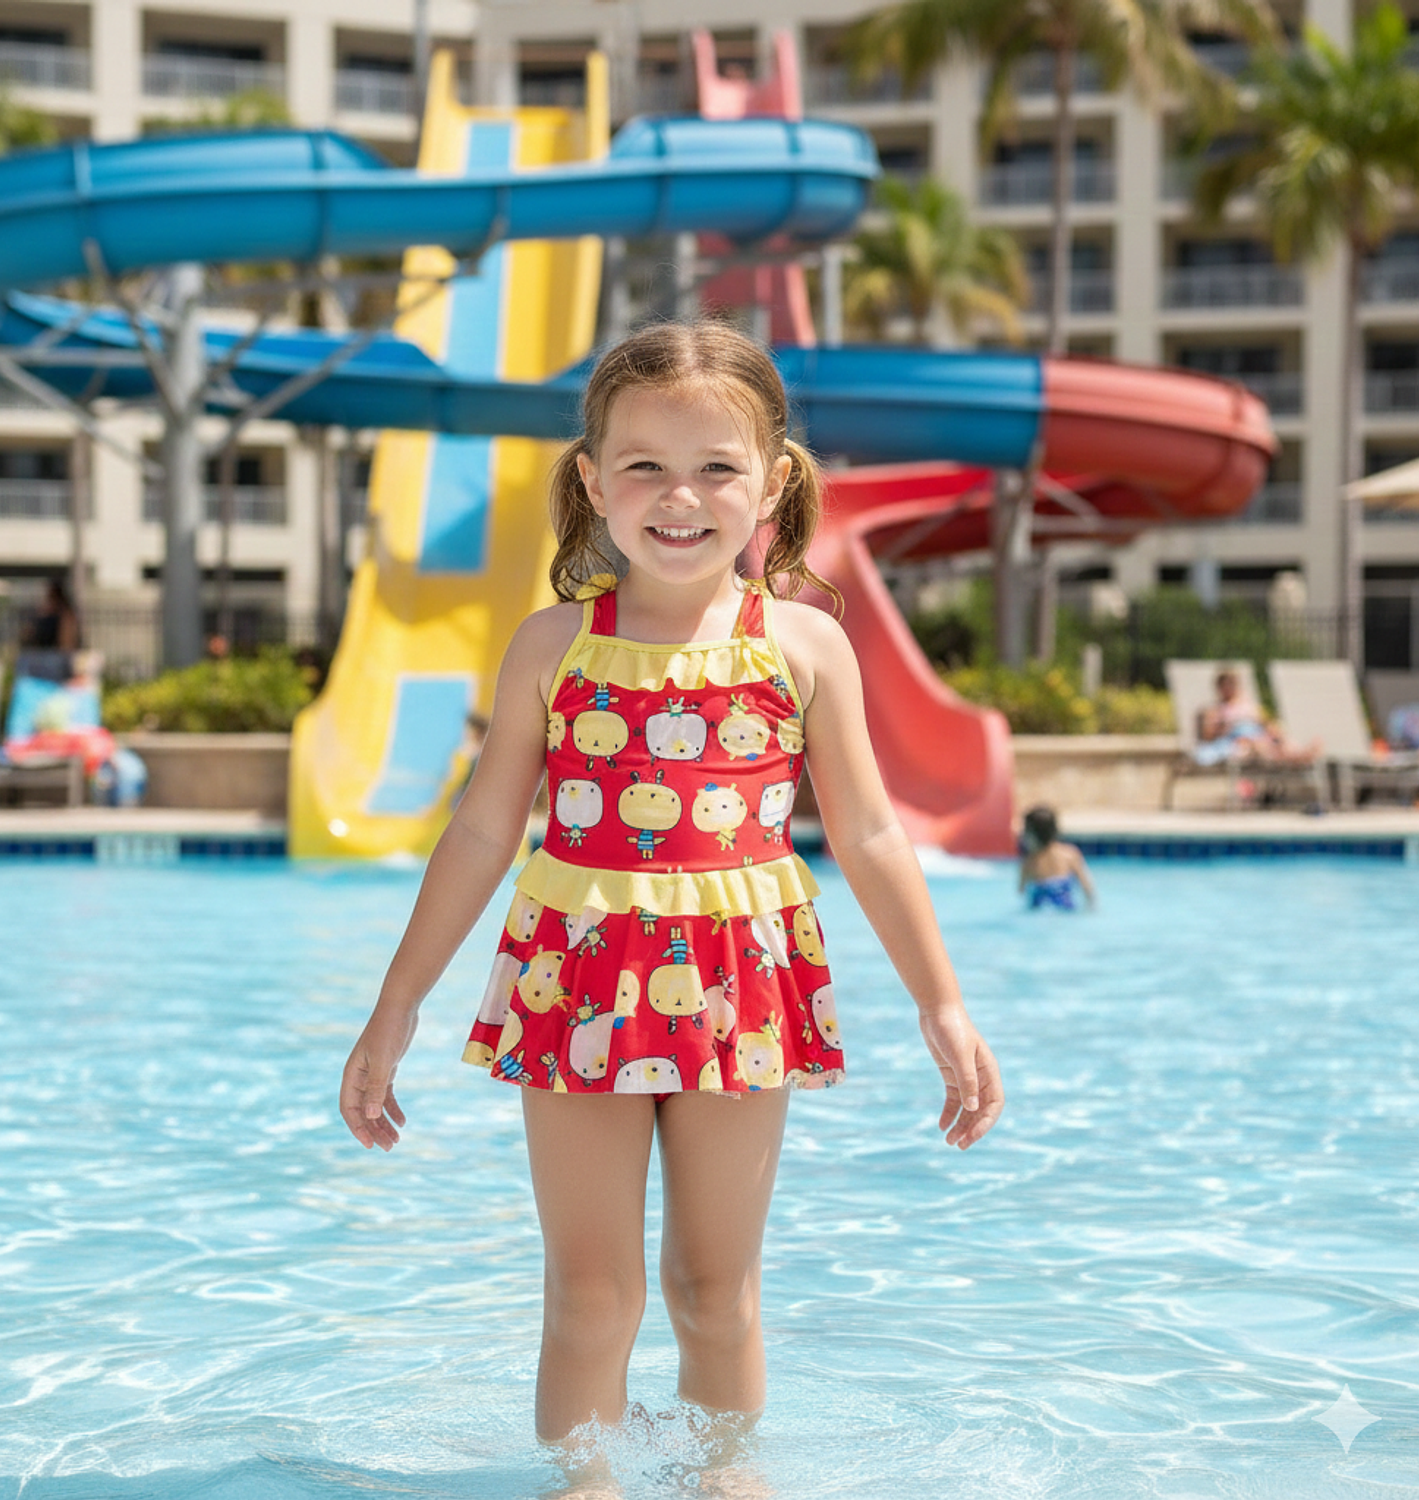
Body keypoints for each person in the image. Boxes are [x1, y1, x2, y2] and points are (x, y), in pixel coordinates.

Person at [338, 322, 1003, 1464]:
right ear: (592, 480)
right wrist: (396, 1005)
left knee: (714, 1291)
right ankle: (581, 1488)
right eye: (644, 465)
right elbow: (485, 828)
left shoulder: (802, 646)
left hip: (739, 989)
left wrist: (942, 1004)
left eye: (716, 468)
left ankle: (724, 1481)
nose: (679, 496)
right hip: (576, 975)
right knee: (591, 1296)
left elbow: (874, 833)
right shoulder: (554, 644)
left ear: (774, 483)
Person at [1194, 667, 1318, 767]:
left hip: (1258, 736)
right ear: (1219, 687)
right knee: (1257, 745)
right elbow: (1208, 736)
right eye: (1226, 684)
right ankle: (1297, 757)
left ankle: (1297, 753)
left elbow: (1265, 721)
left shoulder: (1248, 705)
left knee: (1274, 735)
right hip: (1239, 741)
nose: (1229, 688)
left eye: (1232, 684)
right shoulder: (1215, 710)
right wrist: (1225, 726)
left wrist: (1270, 727)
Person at [1017, 805, 1096, 911]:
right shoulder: (1070, 855)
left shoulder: (1029, 861)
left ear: (1033, 835)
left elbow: (1021, 890)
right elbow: (1087, 888)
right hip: (1065, 910)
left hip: (1037, 911)